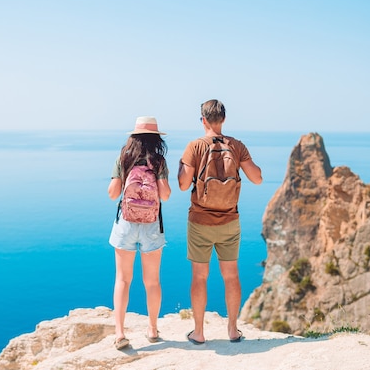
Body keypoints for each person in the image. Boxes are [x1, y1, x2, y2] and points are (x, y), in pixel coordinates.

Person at [177, 99, 263, 344]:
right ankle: (233, 331)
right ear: (223, 119)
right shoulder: (236, 146)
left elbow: (184, 185)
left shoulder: (194, 146)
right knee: (231, 275)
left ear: (203, 120)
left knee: (199, 277)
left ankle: (199, 333)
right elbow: (257, 178)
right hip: (229, 222)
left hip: (200, 222)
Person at [107, 116, 172, 350]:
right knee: (152, 281)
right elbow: (165, 195)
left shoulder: (123, 158)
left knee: (123, 279)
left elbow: (113, 194)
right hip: (152, 225)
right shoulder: (159, 161)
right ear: (156, 139)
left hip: (125, 223)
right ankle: (153, 329)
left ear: (133, 136)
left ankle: (119, 333)